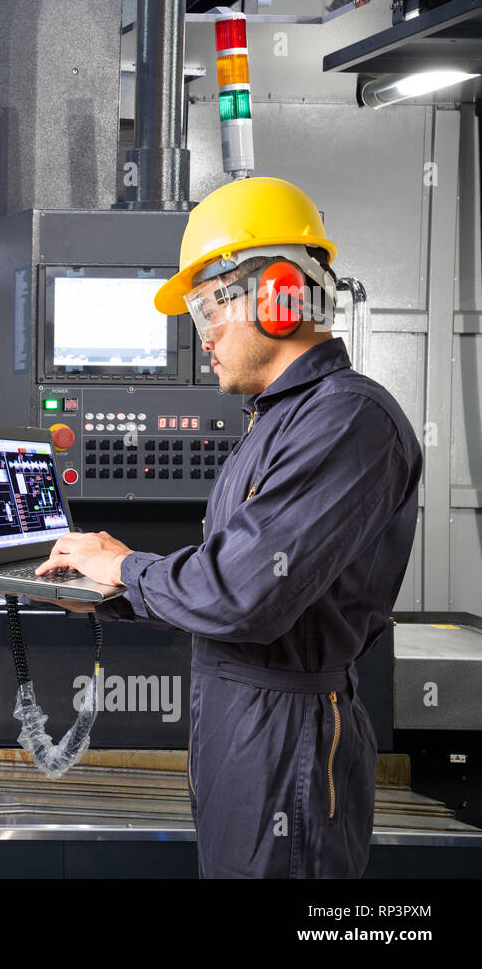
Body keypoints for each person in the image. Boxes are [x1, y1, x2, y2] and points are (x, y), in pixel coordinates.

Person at [35, 177, 423, 878]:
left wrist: (125, 566)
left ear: (280, 296)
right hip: (242, 727)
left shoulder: (348, 421)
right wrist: (108, 592)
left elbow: (243, 593)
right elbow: (230, 581)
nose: (203, 333)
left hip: (290, 744)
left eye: (210, 306)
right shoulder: (276, 423)